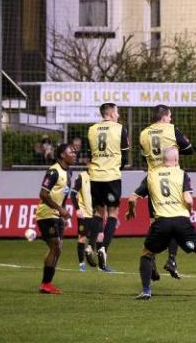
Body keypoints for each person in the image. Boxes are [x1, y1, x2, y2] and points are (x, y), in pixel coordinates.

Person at [128, 146, 196, 301]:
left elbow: (132, 198)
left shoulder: (151, 175)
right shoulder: (182, 174)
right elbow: (188, 199)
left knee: (147, 254)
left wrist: (131, 210)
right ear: (176, 159)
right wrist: (190, 210)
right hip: (182, 221)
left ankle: (146, 291)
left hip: (161, 223)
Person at [139, 104, 194, 279]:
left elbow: (144, 156)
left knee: (154, 223)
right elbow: (189, 149)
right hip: (171, 180)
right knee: (175, 218)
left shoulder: (144, 133)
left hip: (153, 180)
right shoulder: (171, 129)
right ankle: (171, 259)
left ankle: (150, 258)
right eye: (170, 116)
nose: (171, 119)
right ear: (164, 117)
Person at [87, 102, 131, 273]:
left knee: (98, 213)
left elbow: (91, 154)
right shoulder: (120, 129)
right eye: (117, 112)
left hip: (95, 177)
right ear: (112, 113)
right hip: (112, 176)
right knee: (113, 214)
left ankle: (90, 245)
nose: (118, 115)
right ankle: (103, 248)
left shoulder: (92, 130)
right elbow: (125, 157)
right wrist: (116, 167)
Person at [35, 142, 76, 294]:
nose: (74, 155)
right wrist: (60, 209)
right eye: (70, 152)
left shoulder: (69, 173)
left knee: (57, 249)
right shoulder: (54, 172)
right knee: (56, 247)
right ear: (62, 155)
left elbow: (63, 195)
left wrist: (62, 214)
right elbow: (43, 194)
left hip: (56, 215)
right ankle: (45, 284)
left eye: (74, 152)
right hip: (46, 214)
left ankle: (47, 283)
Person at [72, 150, 100, 271]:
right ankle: (81, 263)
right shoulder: (81, 177)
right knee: (82, 237)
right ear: (88, 164)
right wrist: (77, 209)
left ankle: (91, 252)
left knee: (99, 236)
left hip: (95, 213)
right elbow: (73, 194)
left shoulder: (99, 178)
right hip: (84, 213)